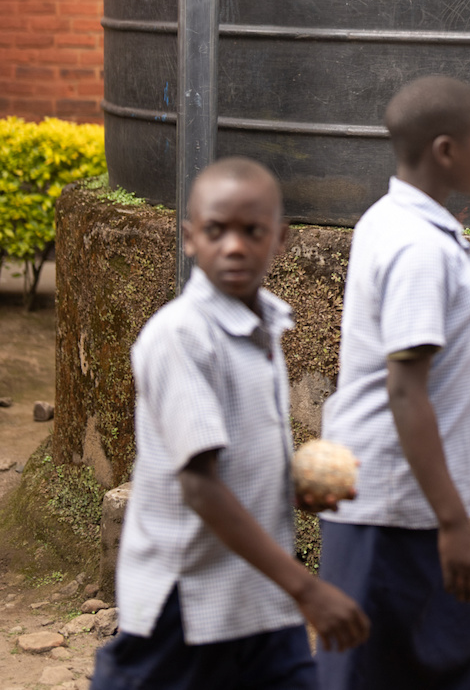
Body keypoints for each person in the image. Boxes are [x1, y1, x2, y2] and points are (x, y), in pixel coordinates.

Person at [91, 157, 369, 690]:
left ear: (280, 239)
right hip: (188, 596)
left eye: (252, 231)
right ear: (191, 237)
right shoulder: (181, 337)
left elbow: (237, 458)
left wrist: (294, 486)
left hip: (257, 594)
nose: (235, 246)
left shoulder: (264, 325)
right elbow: (200, 486)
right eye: (217, 231)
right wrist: (308, 590)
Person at [316, 75, 470, 689]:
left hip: (393, 501)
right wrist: (454, 523)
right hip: (393, 508)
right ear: (446, 150)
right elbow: (406, 390)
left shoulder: (390, 220)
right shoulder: (418, 248)